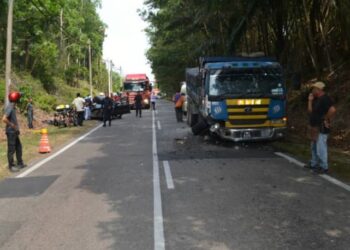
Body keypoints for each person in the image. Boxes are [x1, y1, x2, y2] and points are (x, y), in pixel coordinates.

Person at [306, 81, 336, 174]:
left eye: (314, 89)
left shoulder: (325, 99)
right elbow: (311, 112)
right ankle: (314, 163)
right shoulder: (316, 99)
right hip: (314, 126)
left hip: (321, 126)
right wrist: (310, 100)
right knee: (314, 146)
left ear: (319, 90)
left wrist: (325, 119)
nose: (312, 91)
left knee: (321, 147)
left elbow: (333, 110)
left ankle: (324, 167)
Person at [2, 92, 27, 172]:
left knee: (19, 147)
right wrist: (13, 126)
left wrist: (17, 129)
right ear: (16, 99)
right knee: (11, 149)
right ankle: (11, 166)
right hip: (10, 132)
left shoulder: (12, 106)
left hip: (14, 131)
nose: (19, 100)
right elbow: (4, 119)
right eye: (18, 98)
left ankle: (20, 163)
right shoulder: (10, 107)